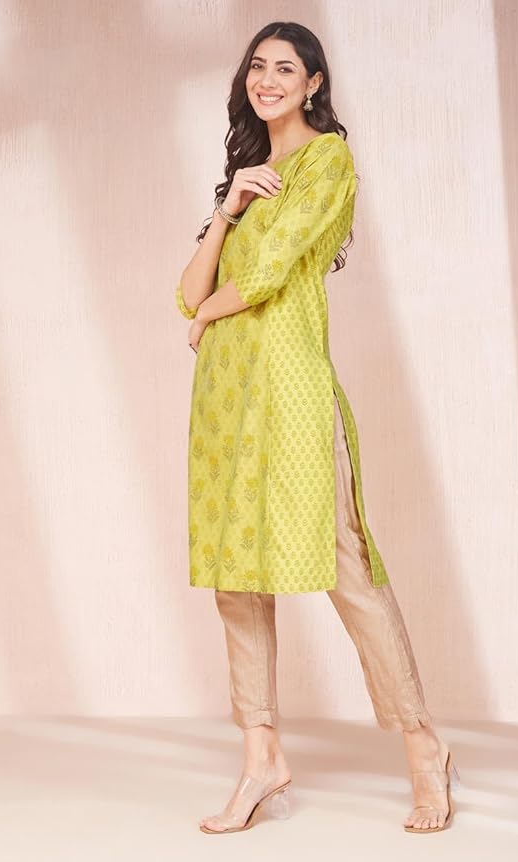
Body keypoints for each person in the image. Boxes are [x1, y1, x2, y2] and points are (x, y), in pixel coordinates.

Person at [175, 21, 459, 835]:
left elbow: (263, 278)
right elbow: (187, 291)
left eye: (284, 68)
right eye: (256, 67)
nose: (267, 79)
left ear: (313, 83)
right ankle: (260, 758)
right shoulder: (250, 176)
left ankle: (424, 747)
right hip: (226, 399)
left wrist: (207, 317)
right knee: (235, 577)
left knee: (346, 569)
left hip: (291, 391)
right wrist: (226, 209)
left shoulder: (327, 162)